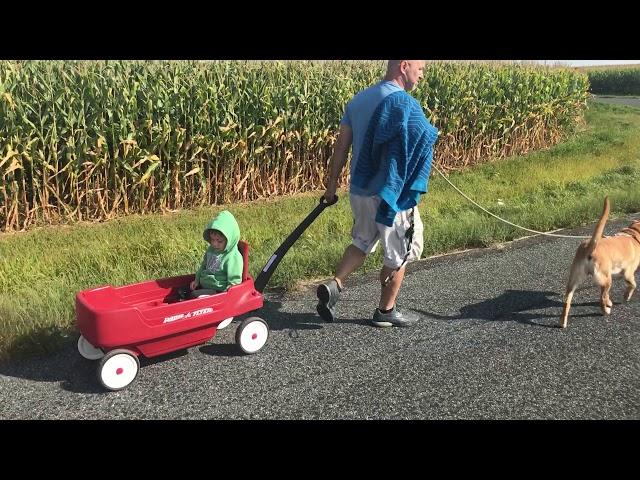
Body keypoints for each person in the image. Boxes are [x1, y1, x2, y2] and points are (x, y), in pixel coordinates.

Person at [316, 60, 439, 327]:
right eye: (420, 67)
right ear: (404, 66)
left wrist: (332, 185)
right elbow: (424, 139)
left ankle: (335, 284)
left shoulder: (358, 100)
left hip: (359, 190)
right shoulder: (406, 105)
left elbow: (340, 148)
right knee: (400, 252)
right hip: (389, 195)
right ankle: (386, 311)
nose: (422, 73)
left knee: (362, 240)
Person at [187, 210, 243, 298]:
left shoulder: (232, 257)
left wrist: (228, 295)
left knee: (194, 296)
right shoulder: (211, 250)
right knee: (182, 290)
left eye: (219, 241)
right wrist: (196, 280)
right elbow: (204, 265)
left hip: (218, 290)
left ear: (229, 240)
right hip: (204, 284)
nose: (214, 244)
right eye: (212, 240)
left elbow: (234, 281)